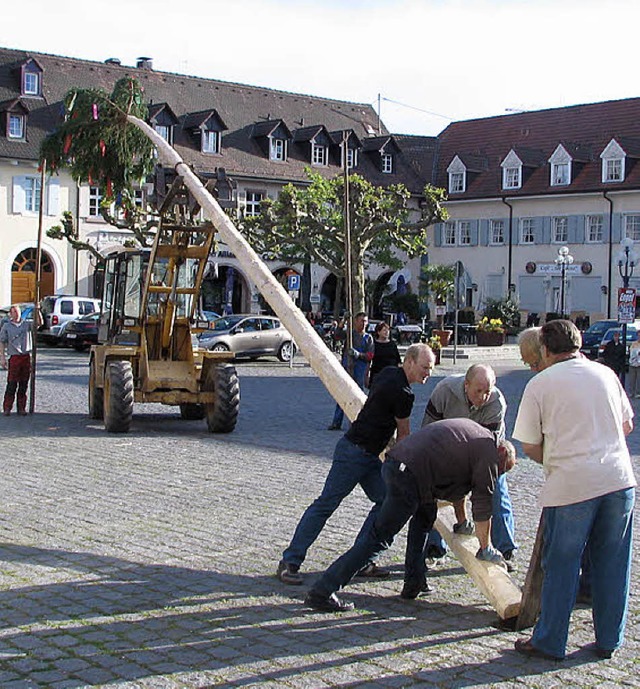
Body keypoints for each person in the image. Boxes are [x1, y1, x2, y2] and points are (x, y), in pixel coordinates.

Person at [513, 319, 635, 661]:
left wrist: (556, 458)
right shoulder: (606, 374)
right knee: (613, 563)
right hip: (618, 478)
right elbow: (627, 424)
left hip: (571, 482)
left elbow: (529, 445)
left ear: (546, 351)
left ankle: (551, 640)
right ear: (578, 344)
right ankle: (610, 639)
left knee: (562, 564)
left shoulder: (541, 384)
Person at [304, 418, 516, 612]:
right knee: (378, 539)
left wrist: (461, 523)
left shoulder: (478, 440)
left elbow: (461, 488)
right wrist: (485, 548)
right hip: (409, 474)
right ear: (502, 454)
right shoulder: (490, 454)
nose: (498, 476)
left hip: (404, 465)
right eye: (502, 471)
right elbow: (483, 503)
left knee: (425, 517)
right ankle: (323, 591)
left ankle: (414, 582)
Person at [277, 344, 436, 584]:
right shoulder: (404, 392)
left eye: (431, 369)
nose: (428, 373)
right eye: (425, 368)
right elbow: (404, 436)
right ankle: (290, 561)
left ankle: (362, 560)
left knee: (384, 500)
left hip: (369, 456)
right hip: (354, 453)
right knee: (326, 504)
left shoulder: (387, 373)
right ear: (410, 362)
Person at [420, 364, 517, 569]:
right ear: (466, 385)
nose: (483, 397)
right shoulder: (444, 391)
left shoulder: (497, 402)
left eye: (487, 391)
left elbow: (489, 448)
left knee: (497, 491)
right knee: (435, 493)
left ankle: (504, 549)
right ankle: (435, 548)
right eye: (478, 391)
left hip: (487, 452)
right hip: (445, 448)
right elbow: (428, 430)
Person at [328, 312, 374, 430]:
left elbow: (370, 355)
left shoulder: (368, 338)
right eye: (361, 321)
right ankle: (336, 421)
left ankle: (357, 422)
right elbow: (337, 335)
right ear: (356, 322)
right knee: (342, 393)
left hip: (360, 368)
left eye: (365, 321)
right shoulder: (350, 335)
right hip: (347, 366)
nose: (363, 324)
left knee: (357, 395)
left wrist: (359, 355)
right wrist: (343, 321)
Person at [0, 304, 38, 416]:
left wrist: (38, 310)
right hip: (14, 357)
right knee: (11, 384)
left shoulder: (27, 324)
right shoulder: (7, 326)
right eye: (14, 312)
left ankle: (21, 407)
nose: (16, 314)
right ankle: (7, 407)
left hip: (25, 356)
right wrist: (2, 357)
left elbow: (39, 324)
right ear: (10, 314)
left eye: (18, 312)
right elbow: (2, 341)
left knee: (23, 384)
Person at [366, 321, 401, 389]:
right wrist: (367, 375)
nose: (386, 332)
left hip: (392, 375)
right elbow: (369, 360)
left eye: (387, 330)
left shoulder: (392, 344)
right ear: (378, 332)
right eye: (384, 330)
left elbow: (398, 360)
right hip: (378, 375)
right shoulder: (374, 344)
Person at [627, 330, 640, 397]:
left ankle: (638, 393)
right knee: (632, 379)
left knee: (639, 379)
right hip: (633, 364)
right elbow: (631, 352)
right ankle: (631, 392)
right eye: (638, 335)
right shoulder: (634, 344)